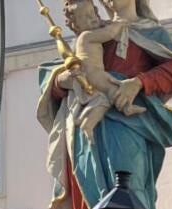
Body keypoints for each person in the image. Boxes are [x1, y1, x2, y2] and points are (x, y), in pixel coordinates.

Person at [38, 0, 172, 209]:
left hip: (126, 129)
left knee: (130, 196)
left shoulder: (150, 32)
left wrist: (140, 82)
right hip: (86, 135)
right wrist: (64, 80)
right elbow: (57, 73)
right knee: (89, 205)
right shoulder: (95, 29)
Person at [62, 0, 146, 139]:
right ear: (77, 26)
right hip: (94, 74)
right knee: (112, 92)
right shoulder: (87, 35)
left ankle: (85, 120)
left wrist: (140, 82)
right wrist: (119, 24)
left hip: (95, 75)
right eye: (86, 17)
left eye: (93, 13)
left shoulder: (150, 30)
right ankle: (123, 108)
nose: (93, 18)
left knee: (106, 95)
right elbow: (110, 33)